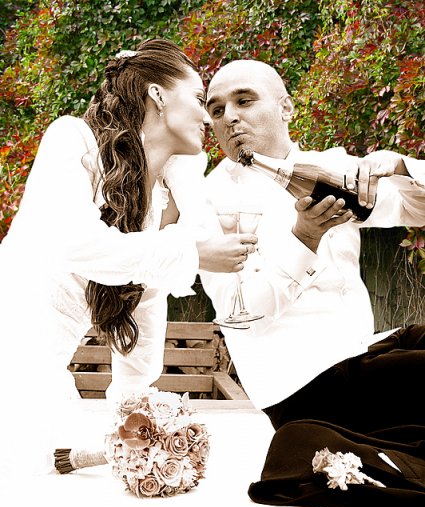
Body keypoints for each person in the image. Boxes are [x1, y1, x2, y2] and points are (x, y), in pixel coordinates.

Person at [0, 39, 257, 476]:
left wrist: (136, 416)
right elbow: (76, 244)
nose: (206, 118)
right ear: (158, 95)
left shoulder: (158, 205)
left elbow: (145, 314)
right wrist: (192, 252)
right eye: (199, 99)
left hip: (37, 374)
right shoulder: (72, 139)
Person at [199, 59, 425, 436]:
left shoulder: (330, 168)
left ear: (286, 108)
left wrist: (400, 167)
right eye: (217, 110)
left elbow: (417, 209)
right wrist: (305, 238)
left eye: (244, 101)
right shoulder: (208, 200)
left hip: (360, 354)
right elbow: (244, 316)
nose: (230, 117)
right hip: (299, 386)